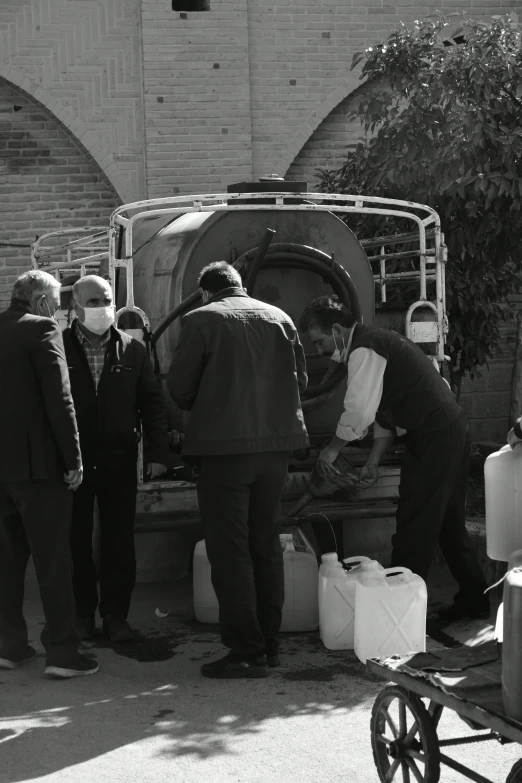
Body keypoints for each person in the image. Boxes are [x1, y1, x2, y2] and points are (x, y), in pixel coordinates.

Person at [299, 294, 489, 623]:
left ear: (336, 329)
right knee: (448, 525)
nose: (319, 351)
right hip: (448, 429)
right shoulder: (372, 344)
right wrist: (373, 460)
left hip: (435, 435)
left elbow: (359, 411)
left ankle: (396, 614)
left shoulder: (364, 348)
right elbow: (384, 411)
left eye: (319, 342)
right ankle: (474, 600)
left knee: (414, 523)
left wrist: (331, 450)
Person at [168, 261, 308, 678]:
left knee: (230, 552)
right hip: (276, 451)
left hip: (224, 452)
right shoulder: (280, 318)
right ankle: (268, 643)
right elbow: (301, 380)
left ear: (207, 292)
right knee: (265, 544)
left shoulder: (201, 320)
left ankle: (245, 651)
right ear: (240, 287)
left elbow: (180, 389)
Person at [0, 270, 99, 678]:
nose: (59, 310)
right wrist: (73, 459)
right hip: (40, 468)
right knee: (54, 561)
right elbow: (61, 399)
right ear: (42, 302)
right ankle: (62, 653)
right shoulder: (42, 329)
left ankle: (9, 646)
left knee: (6, 563)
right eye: (57, 301)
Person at [63, 275, 172, 642]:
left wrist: (157, 454)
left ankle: (115, 616)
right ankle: (81, 615)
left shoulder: (132, 350)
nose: (101, 308)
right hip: (73, 463)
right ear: (75, 308)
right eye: (93, 302)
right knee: (75, 541)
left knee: (118, 541)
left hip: (118, 458)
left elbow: (152, 405)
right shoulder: (59, 349)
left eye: (106, 300)